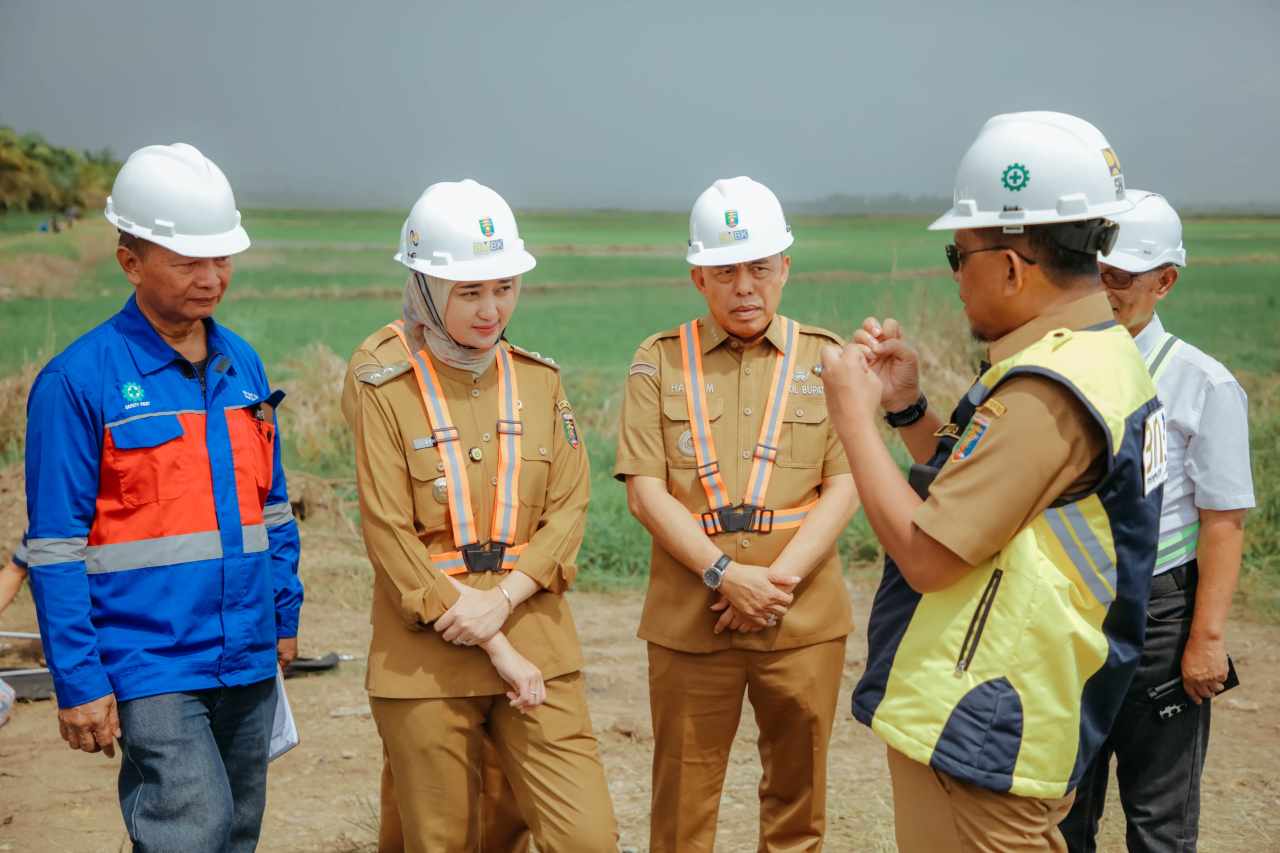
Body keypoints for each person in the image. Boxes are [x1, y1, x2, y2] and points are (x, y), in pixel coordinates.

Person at [821, 112, 1165, 852]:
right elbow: (991, 497)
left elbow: (928, 553)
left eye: (959, 253)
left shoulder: (1050, 391)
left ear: (1011, 266)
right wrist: (908, 410)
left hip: (986, 723)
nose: (955, 275)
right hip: (1004, 714)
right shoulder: (1093, 357)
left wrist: (851, 417)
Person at [23, 143, 303, 852]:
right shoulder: (77, 381)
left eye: (222, 259)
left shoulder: (243, 365)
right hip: (149, 659)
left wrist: (283, 615)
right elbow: (54, 548)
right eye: (187, 262)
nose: (211, 279)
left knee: (236, 829)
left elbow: (271, 507)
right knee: (189, 827)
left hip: (247, 650)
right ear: (130, 261)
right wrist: (78, 680)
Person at [342, 179, 617, 852]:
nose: (491, 309)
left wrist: (505, 602)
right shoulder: (382, 381)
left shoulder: (539, 380)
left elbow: (569, 507)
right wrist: (489, 634)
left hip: (536, 639)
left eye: (504, 287)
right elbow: (387, 529)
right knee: (439, 838)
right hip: (426, 651)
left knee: (586, 836)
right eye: (469, 292)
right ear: (425, 284)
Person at [615, 176, 858, 852]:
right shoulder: (659, 361)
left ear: (785, 267)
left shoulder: (827, 358)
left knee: (798, 805)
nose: (745, 286)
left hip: (800, 619)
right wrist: (727, 575)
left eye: (759, 267)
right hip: (693, 620)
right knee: (682, 808)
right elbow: (645, 492)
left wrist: (773, 586)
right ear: (699, 277)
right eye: (725, 271)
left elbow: (846, 484)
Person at [1060, 191, 1255, 852]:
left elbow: (1223, 520)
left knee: (1158, 821)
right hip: (1069, 611)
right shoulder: (1058, 367)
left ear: (1164, 281)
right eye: (1094, 273)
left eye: (1120, 277)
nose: (1103, 290)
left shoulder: (1202, 384)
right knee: (1060, 811)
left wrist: (1206, 639)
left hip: (1159, 617)